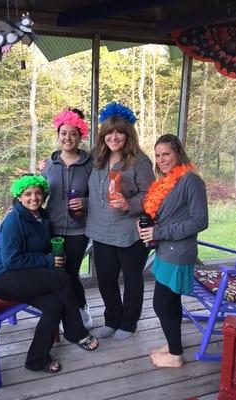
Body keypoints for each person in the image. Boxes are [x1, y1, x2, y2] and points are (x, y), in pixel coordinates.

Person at [0, 174, 99, 374]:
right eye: (28, 194)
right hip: (1, 277)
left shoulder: (42, 216)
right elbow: (11, 260)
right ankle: (76, 332)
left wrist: (55, 254)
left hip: (23, 275)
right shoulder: (14, 220)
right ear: (19, 196)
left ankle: (36, 359)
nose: (33, 198)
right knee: (62, 279)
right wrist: (47, 261)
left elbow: (41, 247)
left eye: (38, 193)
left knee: (54, 305)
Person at [137, 134, 208, 368]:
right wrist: (146, 224)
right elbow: (167, 214)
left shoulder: (190, 180)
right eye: (158, 155)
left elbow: (200, 221)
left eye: (166, 154)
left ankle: (176, 355)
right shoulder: (168, 181)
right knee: (172, 301)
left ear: (177, 152)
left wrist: (159, 232)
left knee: (162, 303)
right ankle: (172, 342)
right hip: (166, 250)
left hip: (178, 251)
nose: (161, 159)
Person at [86, 102, 155, 340]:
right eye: (109, 132)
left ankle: (128, 323)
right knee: (105, 278)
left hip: (129, 232)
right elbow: (88, 188)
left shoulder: (139, 161)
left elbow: (151, 195)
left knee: (132, 279)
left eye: (120, 132)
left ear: (128, 134)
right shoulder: (95, 158)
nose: (114, 137)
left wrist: (129, 204)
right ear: (103, 134)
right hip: (101, 230)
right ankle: (112, 319)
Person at [41, 108, 93, 329]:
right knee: (56, 273)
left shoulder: (91, 165)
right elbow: (38, 195)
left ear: (80, 136)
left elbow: (100, 197)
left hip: (78, 231)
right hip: (51, 229)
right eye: (64, 133)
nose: (68, 138)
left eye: (73, 134)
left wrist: (85, 203)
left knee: (70, 273)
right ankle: (64, 312)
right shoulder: (49, 165)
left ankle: (81, 310)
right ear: (58, 135)